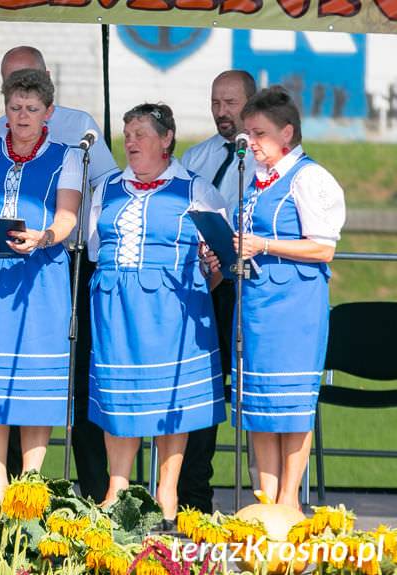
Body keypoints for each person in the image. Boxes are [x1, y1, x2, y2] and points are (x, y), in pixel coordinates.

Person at [0, 45, 116, 502]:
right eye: (12, 94)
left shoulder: (81, 128)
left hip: (63, 262)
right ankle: (3, 484)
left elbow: (104, 188)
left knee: (61, 377)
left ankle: (90, 488)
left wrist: (62, 236)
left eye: (30, 96)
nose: (21, 107)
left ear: (46, 88)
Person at [0, 69, 83, 499]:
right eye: (15, 107)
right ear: (5, 108)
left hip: (38, 277)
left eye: (32, 109)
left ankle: (30, 481)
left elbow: (67, 216)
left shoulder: (67, 155)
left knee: (33, 382)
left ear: (49, 113)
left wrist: (43, 237)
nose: (22, 116)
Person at [87, 103, 225, 526]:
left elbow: (219, 261)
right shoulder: (107, 186)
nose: (131, 142)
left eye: (141, 133)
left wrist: (211, 270)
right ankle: (118, 488)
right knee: (118, 398)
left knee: (173, 400)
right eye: (128, 134)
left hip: (173, 307)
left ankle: (168, 492)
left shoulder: (195, 189)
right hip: (116, 306)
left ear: (167, 139)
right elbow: (94, 249)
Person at [229, 86, 345, 510]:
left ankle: (289, 501)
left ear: (287, 133)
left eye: (258, 133)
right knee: (260, 404)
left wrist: (262, 244)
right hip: (256, 304)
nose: (251, 142)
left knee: (291, 405)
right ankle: (266, 498)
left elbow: (323, 248)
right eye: (248, 133)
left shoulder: (309, 177)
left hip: (294, 307)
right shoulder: (257, 180)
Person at [178, 70, 256, 513]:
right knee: (203, 392)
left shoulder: (264, 157)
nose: (222, 112)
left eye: (231, 103)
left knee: (251, 395)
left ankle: (264, 501)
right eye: (215, 103)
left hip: (251, 288)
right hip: (208, 287)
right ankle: (193, 498)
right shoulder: (197, 157)